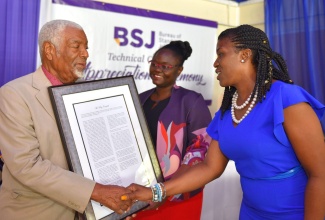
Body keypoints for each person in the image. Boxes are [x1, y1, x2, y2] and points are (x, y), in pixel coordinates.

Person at [123, 25, 325, 219]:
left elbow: (320, 175)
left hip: (295, 213)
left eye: (221, 54)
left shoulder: (286, 99)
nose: (215, 63)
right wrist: (155, 192)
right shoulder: (227, 112)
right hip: (251, 213)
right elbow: (209, 167)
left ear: (244, 55)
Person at [0, 20, 133, 220]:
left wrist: (121, 195)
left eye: (86, 47)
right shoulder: (14, 94)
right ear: (49, 50)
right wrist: (97, 192)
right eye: (76, 46)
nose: (85, 54)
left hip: (89, 212)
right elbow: (26, 165)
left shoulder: (90, 91)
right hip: (35, 212)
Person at [134, 40, 212, 219]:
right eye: (154, 64)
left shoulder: (192, 101)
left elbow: (200, 150)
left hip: (177, 196)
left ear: (179, 70)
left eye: (165, 66)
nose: (157, 69)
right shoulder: (140, 98)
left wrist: (165, 191)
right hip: (143, 190)